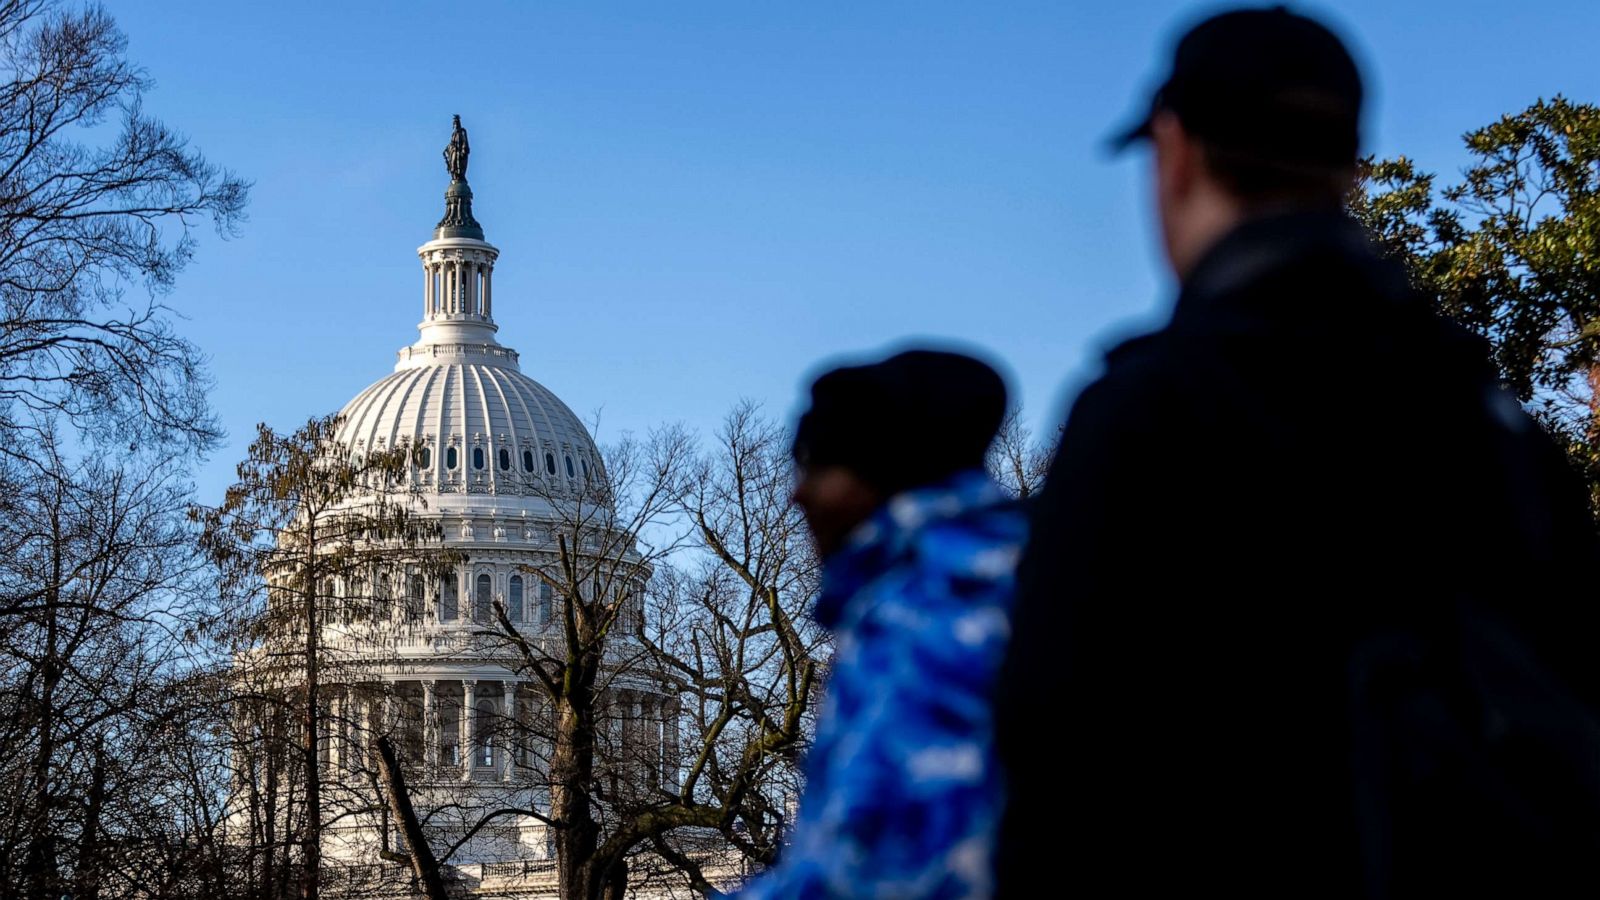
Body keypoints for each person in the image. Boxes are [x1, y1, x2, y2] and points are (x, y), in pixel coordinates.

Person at [995, 7, 1600, 898]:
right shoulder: (1489, 418)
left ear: (1174, 151)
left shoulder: (1150, 413)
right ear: (1351, 166)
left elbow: (1054, 778)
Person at [738, 349, 1026, 900]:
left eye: (818, 465)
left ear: (881, 472)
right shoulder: (986, 570)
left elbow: (877, 868)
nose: (799, 494)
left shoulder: (932, 610)